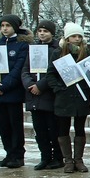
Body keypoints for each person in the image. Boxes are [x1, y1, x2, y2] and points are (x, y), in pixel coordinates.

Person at [0, 14, 31, 168]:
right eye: (3, 25)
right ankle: (9, 152)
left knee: (15, 124)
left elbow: (19, 68)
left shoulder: (21, 45)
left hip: (12, 92)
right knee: (3, 124)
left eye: (8, 26)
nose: (5, 28)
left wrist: (5, 85)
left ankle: (18, 154)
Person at [46, 23, 90, 173]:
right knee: (63, 128)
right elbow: (51, 74)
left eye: (79, 36)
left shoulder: (86, 53)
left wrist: (89, 87)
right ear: (67, 38)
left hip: (81, 96)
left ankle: (78, 160)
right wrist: (58, 88)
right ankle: (68, 160)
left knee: (80, 128)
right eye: (74, 36)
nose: (77, 39)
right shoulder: (58, 53)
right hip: (64, 97)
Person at [21, 20, 62, 170]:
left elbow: (56, 71)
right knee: (40, 131)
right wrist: (29, 85)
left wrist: (40, 85)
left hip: (49, 95)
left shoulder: (57, 49)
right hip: (33, 96)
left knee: (53, 129)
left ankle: (57, 157)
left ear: (52, 33)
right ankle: (45, 157)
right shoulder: (33, 49)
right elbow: (25, 70)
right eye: (40, 31)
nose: (42, 34)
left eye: (45, 31)